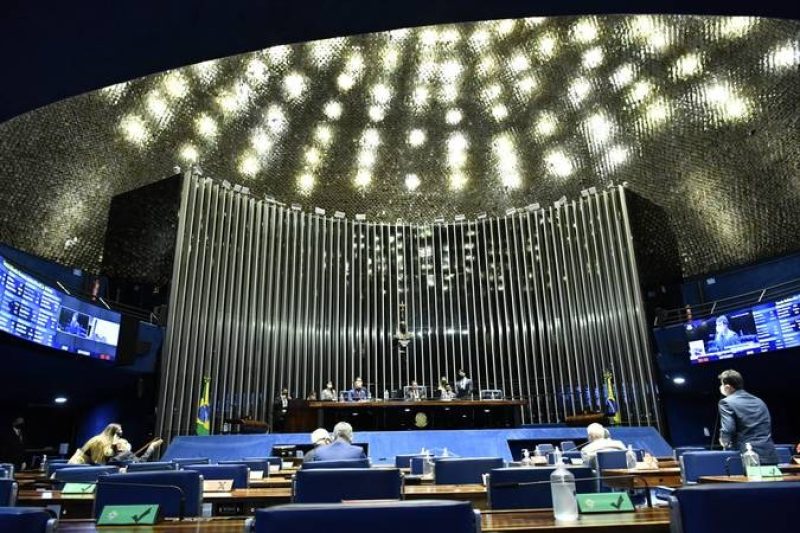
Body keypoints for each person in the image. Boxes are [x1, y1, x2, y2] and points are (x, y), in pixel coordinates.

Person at [717, 369, 778, 464]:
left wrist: (724, 441)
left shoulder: (726, 402)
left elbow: (728, 429)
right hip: (769, 453)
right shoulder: (759, 401)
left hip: (745, 456)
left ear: (728, 387)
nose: (721, 387)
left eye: (721, 384)